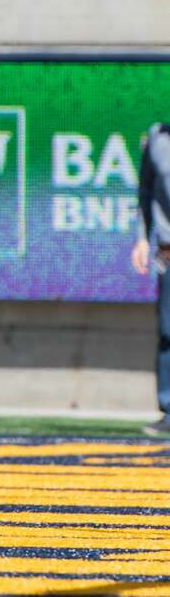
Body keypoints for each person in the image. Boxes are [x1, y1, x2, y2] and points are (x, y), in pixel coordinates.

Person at [134, 123, 170, 436]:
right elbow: (145, 190)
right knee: (169, 331)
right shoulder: (157, 138)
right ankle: (169, 408)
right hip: (168, 251)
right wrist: (142, 239)